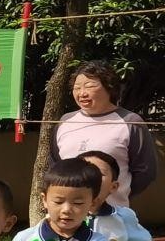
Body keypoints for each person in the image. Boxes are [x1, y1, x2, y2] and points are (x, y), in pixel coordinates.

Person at [46, 60, 158, 208]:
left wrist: (117, 193)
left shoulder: (130, 121)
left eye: (90, 86)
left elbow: (145, 171)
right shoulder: (65, 121)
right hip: (69, 214)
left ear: (109, 87)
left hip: (113, 213)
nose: (82, 93)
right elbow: (55, 164)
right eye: (77, 88)